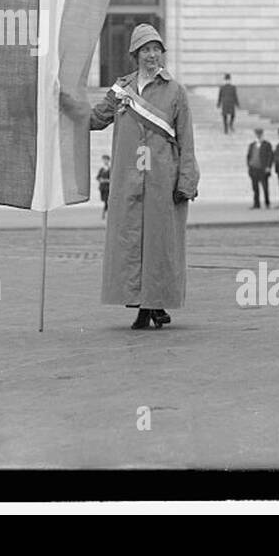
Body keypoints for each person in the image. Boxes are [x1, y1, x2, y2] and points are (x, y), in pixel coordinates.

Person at [89, 24, 198, 330]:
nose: (152, 55)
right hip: (128, 180)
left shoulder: (175, 91)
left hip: (163, 179)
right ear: (135, 55)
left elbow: (187, 139)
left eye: (156, 49)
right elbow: (97, 119)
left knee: (160, 244)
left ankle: (154, 304)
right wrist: (62, 104)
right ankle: (142, 304)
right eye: (146, 50)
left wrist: (187, 180)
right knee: (132, 242)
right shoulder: (121, 90)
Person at [246, 127, 274, 209]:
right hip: (254, 168)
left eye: (260, 134)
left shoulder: (267, 144)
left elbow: (270, 156)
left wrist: (268, 166)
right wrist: (249, 165)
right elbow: (248, 156)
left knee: (265, 187)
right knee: (255, 188)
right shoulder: (252, 145)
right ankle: (256, 204)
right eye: (257, 134)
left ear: (262, 134)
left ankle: (267, 203)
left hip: (263, 169)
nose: (258, 135)